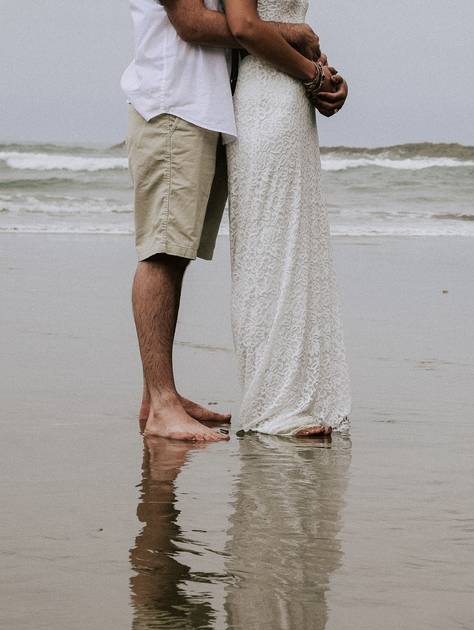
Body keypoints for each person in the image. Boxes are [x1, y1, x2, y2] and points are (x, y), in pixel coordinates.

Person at [122, 0, 346, 442]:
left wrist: (307, 60)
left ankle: (158, 395)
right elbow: (191, 24)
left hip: (205, 110)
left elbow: (242, 27)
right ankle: (163, 405)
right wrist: (293, 37)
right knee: (162, 252)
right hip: (172, 105)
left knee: (176, 253)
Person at [223, 0, 352, 438]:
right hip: (264, 101)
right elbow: (245, 28)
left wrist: (328, 78)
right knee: (267, 248)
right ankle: (272, 403)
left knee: (297, 250)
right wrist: (310, 72)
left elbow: (292, 27)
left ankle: (302, 394)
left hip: (294, 101)